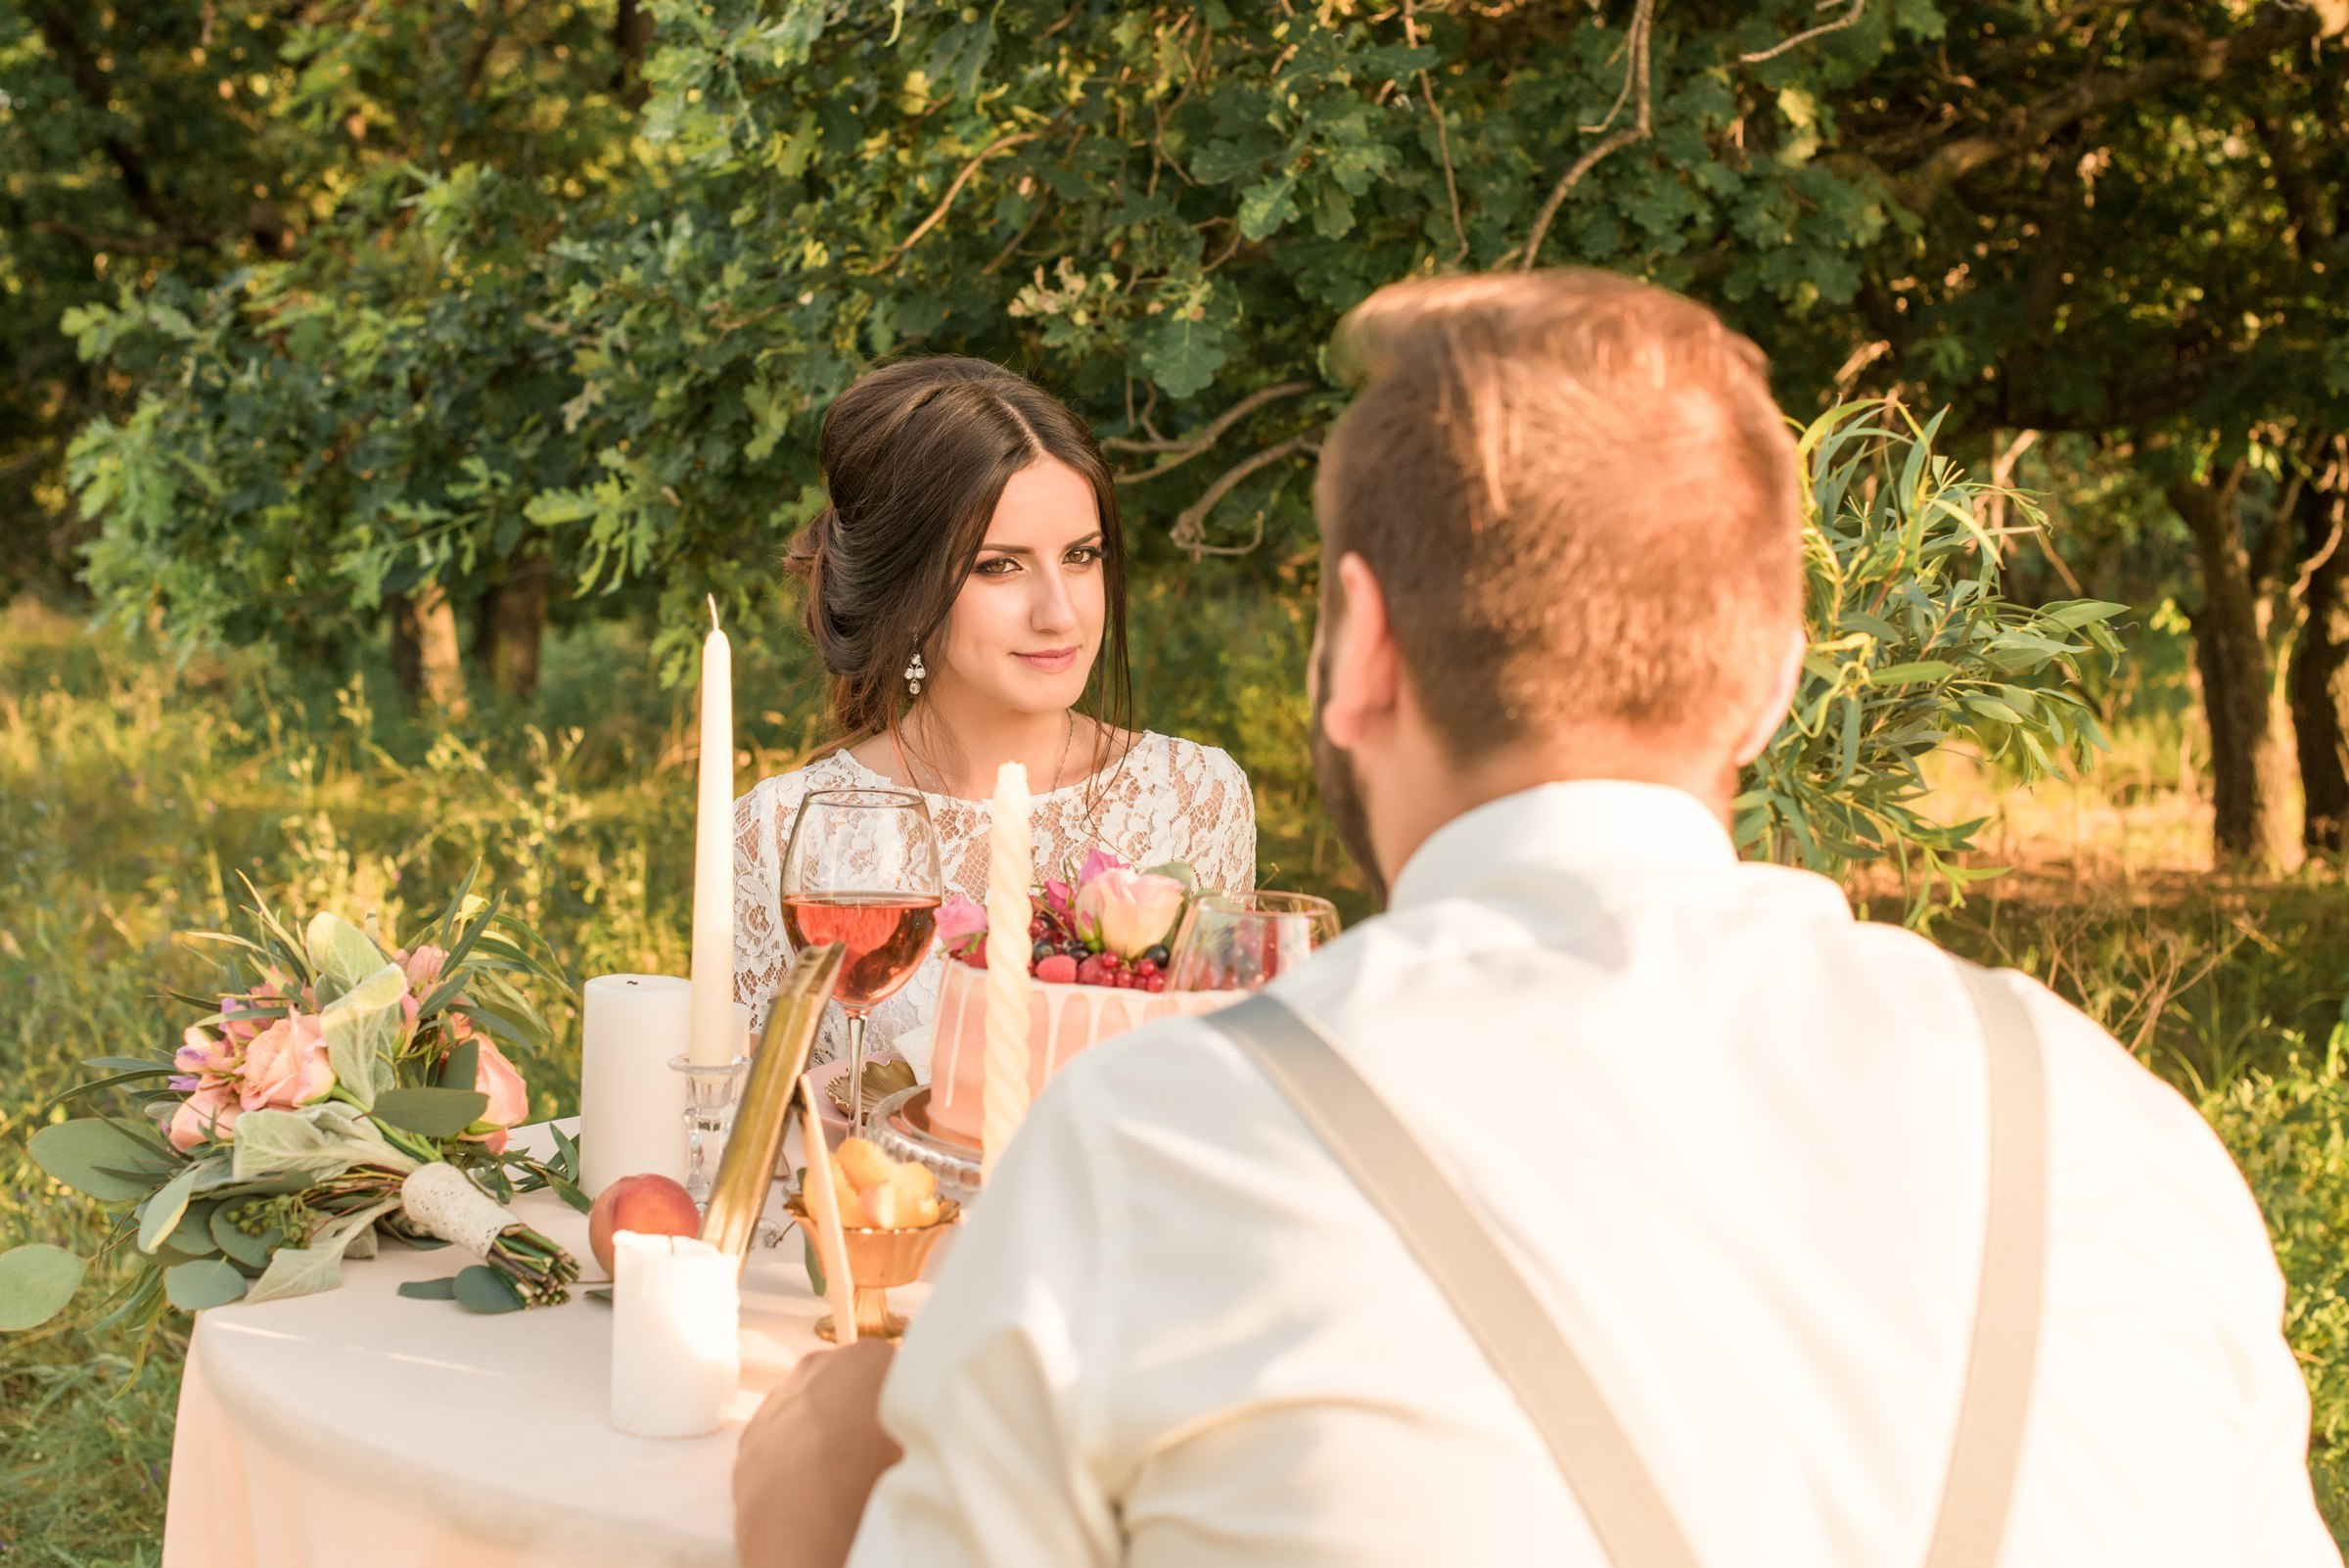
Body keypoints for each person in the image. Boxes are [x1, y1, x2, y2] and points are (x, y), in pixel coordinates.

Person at [735, 273, 2336, 1566]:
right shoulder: (2114, 1137)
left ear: (1358, 646)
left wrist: (805, 1512)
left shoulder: (1158, 1157)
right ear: (1776, 669)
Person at [732, 356, 1257, 1058]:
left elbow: (1221, 1078)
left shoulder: (1194, 798)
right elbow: (755, 1127)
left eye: (1081, 555)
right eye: (998, 565)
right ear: (908, 587)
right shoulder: (778, 833)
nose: (1060, 613)